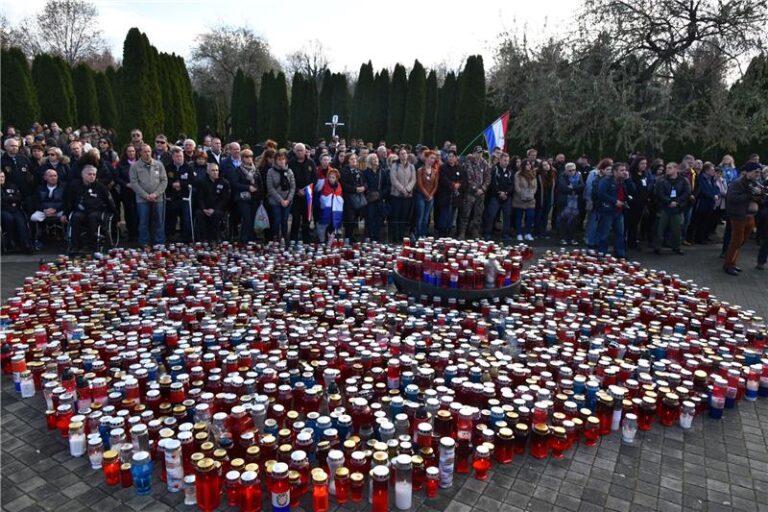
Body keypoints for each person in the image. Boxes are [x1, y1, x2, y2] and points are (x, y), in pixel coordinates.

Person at [62, 165, 115, 254]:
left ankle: (91, 245)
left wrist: (114, 215)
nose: (92, 176)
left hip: (96, 211)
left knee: (92, 217)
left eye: (94, 174)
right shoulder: (75, 186)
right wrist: (65, 214)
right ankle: (75, 246)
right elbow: (68, 201)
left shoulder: (100, 187)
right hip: (81, 210)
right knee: (75, 217)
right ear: (83, 175)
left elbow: (109, 202)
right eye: (89, 174)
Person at [723, 164, 762, 275]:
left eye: (759, 172)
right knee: (736, 241)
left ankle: (733, 263)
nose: (758, 174)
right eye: (756, 172)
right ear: (748, 172)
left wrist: (760, 195)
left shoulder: (754, 183)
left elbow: (755, 197)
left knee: (742, 241)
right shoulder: (738, 183)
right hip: (738, 216)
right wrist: (750, 194)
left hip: (750, 215)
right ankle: (728, 265)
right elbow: (732, 199)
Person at [129, 143, 167, 247]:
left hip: (158, 198)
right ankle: (144, 242)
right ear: (140, 153)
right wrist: (146, 195)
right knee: (143, 221)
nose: (147, 153)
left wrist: (156, 194)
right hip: (142, 199)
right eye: (145, 151)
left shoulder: (159, 165)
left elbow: (164, 180)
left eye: (149, 151)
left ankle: (159, 242)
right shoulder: (134, 167)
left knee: (159, 221)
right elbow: (134, 183)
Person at [596, 162, 634, 258]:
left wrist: (628, 179)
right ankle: (602, 252)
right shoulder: (607, 180)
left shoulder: (624, 181)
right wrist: (614, 201)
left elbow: (633, 190)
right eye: (621, 170)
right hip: (608, 210)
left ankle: (620, 253)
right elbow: (601, 193)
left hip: (619, 211)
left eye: (625, 170)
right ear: (615, 172)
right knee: (604, 233)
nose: (624, 172)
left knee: (620, 233)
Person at [652, 162, 691, 255]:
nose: (667, 170)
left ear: (676, 169)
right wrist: (669, 201)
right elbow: (659, 193)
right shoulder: (661, 180)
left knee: (677, 229)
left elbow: (687, 192)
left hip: (677, 208)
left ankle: (676, 247)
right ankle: (657, 247)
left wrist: (677, 202)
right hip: (664, 207)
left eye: (670, 168)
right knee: (660, 228)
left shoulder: (683, 180)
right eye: (667, 168)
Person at [231, 148, 263, 243]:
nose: (249, 158)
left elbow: (260, 183)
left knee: (253, 218)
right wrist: (247, 187)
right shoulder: (238, 170)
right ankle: (244, 239)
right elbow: (235, 183)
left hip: (254, 198)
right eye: (246, 156)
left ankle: (252, 238)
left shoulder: (255, 170)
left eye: (251, 156)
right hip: (243, 198)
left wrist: (260, 195)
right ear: (242, 158)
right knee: (247, 218)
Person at [458, 147, 491, 240]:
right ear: (473, 153)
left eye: (480, 153)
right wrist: (475, 189)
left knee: (478, 214)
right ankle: (462, 232)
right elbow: (468, 178)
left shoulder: (485, 164)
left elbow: (488, 178)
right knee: (465, 213)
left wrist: (483, 189)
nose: (479, 154)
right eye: (477, 153)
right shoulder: (468, 163)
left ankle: (475, 232)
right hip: (470, 193)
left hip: (481, 193)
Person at [194, 164, 231, 243]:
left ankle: (216, 238)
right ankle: (203, 238)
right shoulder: (202, 182)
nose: (215, 172)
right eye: (213, 170)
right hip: (204, 208)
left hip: (218, 208)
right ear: (208, 172)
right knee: (199, 214)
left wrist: (214, 209)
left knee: (217, 214)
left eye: (216, 170)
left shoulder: (224, 182)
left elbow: (225, 199)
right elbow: (200, 197)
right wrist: (204, 209)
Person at [30, 168, 67, 247]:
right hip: (44, 211)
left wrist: (55, 210)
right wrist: (44, 210)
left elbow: (66, 202)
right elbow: (36, 203)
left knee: (68, 217)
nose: (53, 178)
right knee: (33, 217)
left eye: (55, 176)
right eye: (51, 176)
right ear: (45, 177)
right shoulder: (39, 188)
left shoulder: (63, 187)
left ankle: (66, 238)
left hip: (59, 211)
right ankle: (36, 239)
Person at [483, 153, 515, 241]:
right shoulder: (494, 169)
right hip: (495, 197)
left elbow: (512, 185)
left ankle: (505, 234)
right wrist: (499, 193)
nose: (506, 162)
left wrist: (506, 193)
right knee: (491, 215)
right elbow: (492, 183)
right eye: (504, 160)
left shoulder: (510, 171)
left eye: (508, 161)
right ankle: (487, 233)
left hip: (506, 197)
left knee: (507, 216)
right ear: (500, 160)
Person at [164, 146, 193, 242]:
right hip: (171, 197)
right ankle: (170, 236)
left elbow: (192, 180)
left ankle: (186, 238)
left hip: (184, 197)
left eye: (180, 156)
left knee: (186, 219)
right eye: (177, 156)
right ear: (173, 157)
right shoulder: (168, 167)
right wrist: (172, 184)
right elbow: (164, 180)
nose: (179, 158)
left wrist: (181, 184)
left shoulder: (188, 167)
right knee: (171, 218)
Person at [288, 143, 316, 243]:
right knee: (295, 219)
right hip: (295, 196)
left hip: (307, 196)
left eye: (301, 150)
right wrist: (297, 191)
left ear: (305, 151)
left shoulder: (311, 163)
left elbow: (314, 178)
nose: (300, 152)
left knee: (307, 219)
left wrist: (307, 190)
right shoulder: (290, 163)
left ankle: (306, 240)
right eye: (298, 150)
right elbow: (288, 180)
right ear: (294, 151)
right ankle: (293, 239)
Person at [625, 156, 654, 250]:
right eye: (642, 163)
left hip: (642, 202)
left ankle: (633, 241)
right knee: (631, 223)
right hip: (633, 201)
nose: (644, 166)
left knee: (637, 222)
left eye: (645, 164)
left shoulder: (645, 174)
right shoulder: (631, 174)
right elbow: (631, 188)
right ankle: (629, 242)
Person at [266, 150, 295, 242]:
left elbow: (293, 187)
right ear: (275, 160)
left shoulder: (289, 171)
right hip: (275, 201)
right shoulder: (270, 171)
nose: (281, 161)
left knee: (285, 220)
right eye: (279, 159)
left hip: (287, 200)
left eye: (283, 159)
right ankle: (275, 237)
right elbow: (270, 188)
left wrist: (288, 199)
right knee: (277, 219)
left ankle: (284, 238)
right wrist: (280, 200)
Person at [0, 169, 33, 253]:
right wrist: (11, 199)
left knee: (20, 220)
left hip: (15, 209)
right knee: (9, 218)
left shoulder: (11, 185)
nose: (1, 178)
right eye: (0, 177)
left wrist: (5, 199)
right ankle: (11, 243)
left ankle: (25, 244)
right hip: (3, 210)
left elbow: (18, 198)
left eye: (2, 176)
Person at [436, 151, 467, 237]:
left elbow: (464, 179)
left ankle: (449, 231)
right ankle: (441, 232)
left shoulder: (460, 168)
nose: (451, 158)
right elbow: (443, 179)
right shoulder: (443, 168)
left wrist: (459, 184)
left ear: (456, 158)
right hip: (445, 195)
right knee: (444, 214)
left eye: (453, 156)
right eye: (449, 156)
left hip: (456, 197)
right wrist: (452, 184)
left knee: (452, 215)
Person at [389, 148, 416, 242]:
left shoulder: (412, 166)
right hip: (396, 196)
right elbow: (393, 179)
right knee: (396, 217)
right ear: (399, 155)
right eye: (401, 154)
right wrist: (402, 189)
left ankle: (402, 236)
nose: (404, 155)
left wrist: (407, 189)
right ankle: (395, 237)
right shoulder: (394, 166)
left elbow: (413, 180)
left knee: (404, 217)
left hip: (407, 196)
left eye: (405, 153)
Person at [584, 159, 613, 249]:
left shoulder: (610, 178)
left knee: (602, 223)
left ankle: (597, 241)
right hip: (595, 201)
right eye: (607, 169)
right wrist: (589, 200)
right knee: (593, 222)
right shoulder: (594, 174)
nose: (609, 171)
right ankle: (590, 241)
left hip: (605, 204)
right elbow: (589, 187)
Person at [688, 162, 719, 245]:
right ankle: (698, 238)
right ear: (706, 170)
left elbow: (715, 188)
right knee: (700, 221)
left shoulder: (711, 179)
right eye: (712, 170)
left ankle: (705, 236)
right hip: (703, 203)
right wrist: (712, 196)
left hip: (710, 203)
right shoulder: (701, 178)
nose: (713, 171)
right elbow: (702, 190)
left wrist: (716, 194)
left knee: (707, 221)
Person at [363, 153, 390, 242]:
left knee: (379, 219)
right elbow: (364, 185)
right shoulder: (365, 172)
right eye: (374, 159)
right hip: (370, 200)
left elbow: (387, 186)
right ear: (370, 161)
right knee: (370, 219)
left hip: (380, 199)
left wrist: (380, 194)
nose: (376, 160)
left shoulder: (383, 171)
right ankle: (371, 238)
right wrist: (369, 193)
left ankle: (378, 238)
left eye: (377, 158)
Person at [340, 153, 366, 242]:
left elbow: (365, 182)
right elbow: (344, 185)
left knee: (356, 219)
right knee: (350, 219)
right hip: (348, 198)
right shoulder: (344, 171)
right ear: (347, 161)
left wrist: (364, 187)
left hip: (358, 198)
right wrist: (355, 189)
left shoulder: (359, 170)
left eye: (355, 158)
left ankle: (353, 237)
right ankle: (348, 237)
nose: (354, 160)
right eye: (352, 159)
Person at [556, 162, 584, 245]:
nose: (572, 172)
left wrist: (573, 187)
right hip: (565, 201)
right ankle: (563, 238)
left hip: (575, 201)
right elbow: (562, 187)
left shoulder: (579, 175)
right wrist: (574, 189)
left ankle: (572, 237)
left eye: (573, 170)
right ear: (566, 170)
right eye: (570, 170)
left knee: (574, 220)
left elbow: (582, 186)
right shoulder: (562, 176)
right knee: (563, 220)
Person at [116, 145, 138, 241]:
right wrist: (126, 184)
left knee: (139, 212)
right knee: (129, 212)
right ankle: (131, 233)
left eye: (133, 151)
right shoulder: (121, 164)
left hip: (139, 191)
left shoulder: (140, 162)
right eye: (129, 151)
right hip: (127, 191)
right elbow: (117, 178)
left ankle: (138, 232)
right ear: (126, 152)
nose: (131, 153)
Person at [415, 151, 439, 238]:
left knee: (426, 216)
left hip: (430, 196)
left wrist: (431, 195)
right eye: (431, 158)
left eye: (434, 159)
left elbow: (435, 185)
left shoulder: (435, 171)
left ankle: (423, 233)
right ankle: (418, 234)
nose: (433, 160)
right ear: (426, 158)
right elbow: (419, 184)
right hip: (421, 195)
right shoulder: (420, 170)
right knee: (420, 215)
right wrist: (426, 194)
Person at [316, 168, 344, 243]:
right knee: (323, 225)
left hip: (335, 210)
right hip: (324, 209)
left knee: (333, 226)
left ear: (336, 178)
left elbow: (340, 196)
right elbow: (317, 190)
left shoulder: (339, 186)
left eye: (333, 177)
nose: (331, 179)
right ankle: (321, 241)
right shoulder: (323, 183)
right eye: (330, 177)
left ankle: (331, 241)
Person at [513, 159, 537, 241]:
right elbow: (517, 187)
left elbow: (535, 187)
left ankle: (528, 233)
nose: (528, 166)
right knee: (519, 217)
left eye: (529, 164)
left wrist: (531, 195)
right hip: (519, 199)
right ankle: (519, 233)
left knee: (530, 216)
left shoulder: (533, 174)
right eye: (527, 164)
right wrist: (523, 195)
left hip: (530, 200)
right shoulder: (518, 174)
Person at [534, 160, 557, 237]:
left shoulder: (552, 175)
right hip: (540, 197)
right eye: (544, 165)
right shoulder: (538, 175)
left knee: (545, 216)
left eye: (547, 164)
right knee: (539, 215)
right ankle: (537, 232)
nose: (546, 166)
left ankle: (543, 231)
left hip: (549, 197)